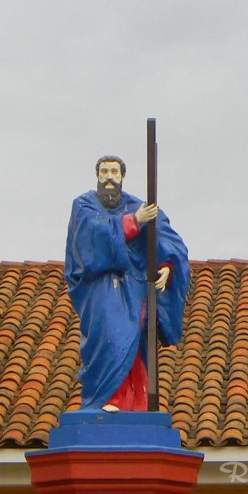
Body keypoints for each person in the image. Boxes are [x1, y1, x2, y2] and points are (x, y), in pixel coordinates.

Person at [64, 155, 190, 411]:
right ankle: (106, 398)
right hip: (100, 291)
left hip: (134, 290)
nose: (109, 176)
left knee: (133, 341)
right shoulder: (84, 205)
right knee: (109, 335)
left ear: (122, 176)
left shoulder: (137, 205)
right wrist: (134, 221)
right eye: (104, 171)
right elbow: (90, 235)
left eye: (114, 171)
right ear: (97, 175)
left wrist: (167, 266)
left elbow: (166, 238)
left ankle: (135, 402)